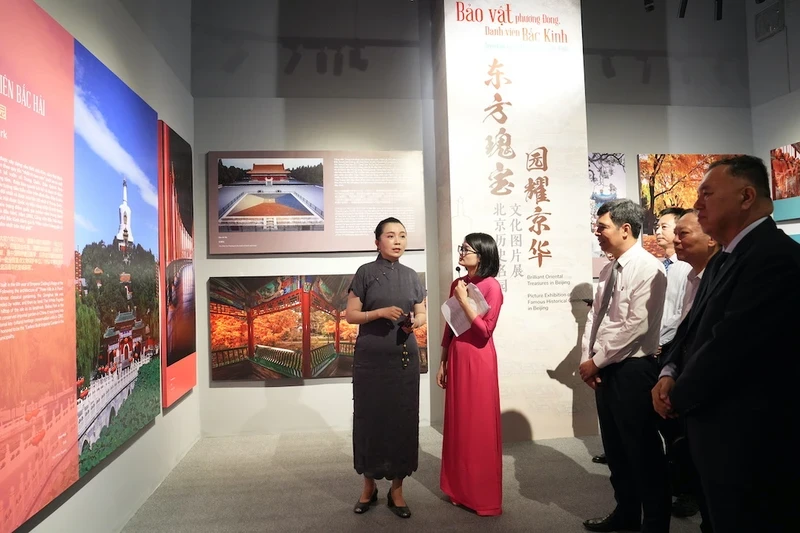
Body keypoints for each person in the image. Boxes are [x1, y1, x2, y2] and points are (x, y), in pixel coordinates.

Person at [652, 155, 800, 533]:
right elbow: (691, 327)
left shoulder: (775, 257)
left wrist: (677, 394)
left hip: (749, 433)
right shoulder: (723, 259)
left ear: (746, 196)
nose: (697, 203)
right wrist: (668, 371)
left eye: (707, 194)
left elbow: (730, 345)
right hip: (714, 424)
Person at [579, 199, 671, 533]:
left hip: (633, 370)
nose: (597, 233)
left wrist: (596, 361)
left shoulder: (649, 268)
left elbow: (637, 326)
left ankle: (656, 524)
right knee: (617, 450)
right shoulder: (608, 268)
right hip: (605, 369)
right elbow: (595, 316)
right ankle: (627, 514)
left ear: (625, 229)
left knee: (643, 452)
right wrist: (586, 359)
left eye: (602, 227)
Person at [345, 217, 427, 519]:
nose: (397, 241)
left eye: (402, 236)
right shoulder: (365, 273)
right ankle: (368, 486)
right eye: (390, 235)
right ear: (377, 241)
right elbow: (351, 315)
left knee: (402, 420)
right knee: (369, 419)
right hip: (370, 358)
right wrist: (378, 313)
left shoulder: (412, 275)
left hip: (404, 357)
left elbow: (422, 313)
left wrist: (416, 320)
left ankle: (397, 489)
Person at [656, 209, 719, 532]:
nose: (676, 240)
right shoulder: (692, 274)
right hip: (680, 373)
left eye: (684, 233)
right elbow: (684, 328)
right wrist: (668, 369)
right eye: (673, 232)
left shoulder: (720, 276)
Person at [437, 233, 503, 517]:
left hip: (478, 359)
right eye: (461, 248)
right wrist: (442, 360)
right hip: (457, 355)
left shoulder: (491, 286)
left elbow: (485, 330)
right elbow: (451, 326)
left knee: (478, 425)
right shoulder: (458, 283)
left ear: (483, 255)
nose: (462, 253)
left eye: (467, 249)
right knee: (459, 424)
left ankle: (482, 495)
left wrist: (464, 301)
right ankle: (459, 489)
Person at [655, 207, 693, 348]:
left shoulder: (687, 267)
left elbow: (683, 311)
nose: (658, 232)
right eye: (657, 227)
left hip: (670, 344)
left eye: (664, 227)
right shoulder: (659, 266)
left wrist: (661, 341)